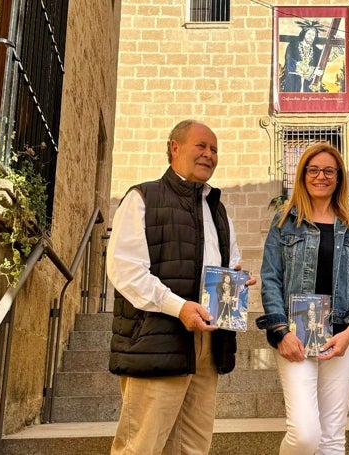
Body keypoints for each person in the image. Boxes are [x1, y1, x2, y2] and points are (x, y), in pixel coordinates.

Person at [107, 119, 256, 454]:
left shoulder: (218, 210)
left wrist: (236, 282)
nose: (209, 155)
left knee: (192, 446)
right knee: (140, 446)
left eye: (214, 149)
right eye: (201, 146)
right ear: (175, 147)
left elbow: (229, 263)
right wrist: (179, 307)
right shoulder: (142, 197)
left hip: (208, 343)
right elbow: (126, 271)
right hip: (158, 339)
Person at [256, 143, 349, 454]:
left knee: (333, 437)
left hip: (342, 336)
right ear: (302, 175)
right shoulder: (284, 223)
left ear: (338, 177)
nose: (321, 176)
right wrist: (280, 332)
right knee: (306, 434)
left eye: (328, 170)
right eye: (313, 170)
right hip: (296, 334)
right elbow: (271, 279)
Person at [280, 22, 324, 93]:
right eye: (309, 33)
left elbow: (326, 57)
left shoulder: (316, 50)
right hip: (293, 82)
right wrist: (312, 71)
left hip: (308, 84)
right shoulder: (292, 46)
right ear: (304, 34)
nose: (311, 36)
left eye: (313, 35)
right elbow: (290, 63)